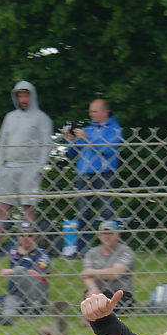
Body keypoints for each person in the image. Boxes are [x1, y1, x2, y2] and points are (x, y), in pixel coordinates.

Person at [0, 80, 52, 246]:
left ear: (32, 96)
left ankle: (29, 243)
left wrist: (39, 167)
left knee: (28, 206)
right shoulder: (10, 117)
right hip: (9, 166)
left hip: (30, 167)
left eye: (26, 96)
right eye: (20, 96)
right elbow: (2, 143)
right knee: (1, 206)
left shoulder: (41, 118)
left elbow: (46, 144)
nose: (23, 100)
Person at [62, 96, 121, 256]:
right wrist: (71, 140)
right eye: (90, 112)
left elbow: (108, 149)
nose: (92, 115)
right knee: (83, 214)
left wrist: (88, 139)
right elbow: (72, 153)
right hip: (84, 176)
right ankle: (81, 250)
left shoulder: (114, 129)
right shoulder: (87, 130)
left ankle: (114, 249)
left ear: (105, 112)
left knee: (107, 212)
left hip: (104, 175)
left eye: (94, 111)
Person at [78, 220, 135, 308]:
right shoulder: (92, 253)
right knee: (92, 303)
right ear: (99, 236)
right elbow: (86, 275)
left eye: (110, 233)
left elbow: (116, 273)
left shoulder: (125, 251)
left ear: (118, 235)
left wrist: (92, 272)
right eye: (103, 233)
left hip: (120, 293)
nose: (106, 236)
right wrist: (93, 288)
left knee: (106, 309)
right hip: (97, 292)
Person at [2, 223, 52, 314]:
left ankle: (35, 306)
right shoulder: (13, 252)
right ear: (17, 236)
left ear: (35, 236)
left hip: (37, 292)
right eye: (22, 235)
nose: (26, 238)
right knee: (8, 312)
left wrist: (14, 271)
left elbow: (40, 275)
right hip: (16, 294)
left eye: (29, 235)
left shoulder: (42, 254)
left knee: (18, 270)